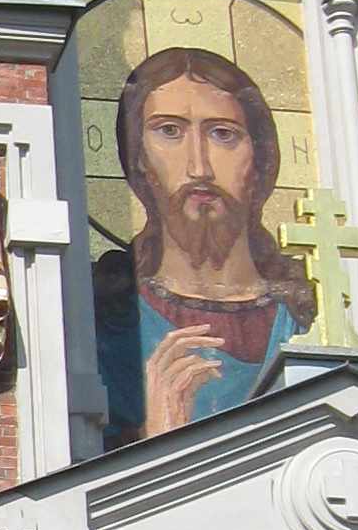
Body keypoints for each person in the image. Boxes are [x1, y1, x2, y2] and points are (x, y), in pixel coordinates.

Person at [93, 45, 316, 446]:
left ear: (259, 158)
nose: (199, 167)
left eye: (223, 134)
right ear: (139, 157)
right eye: (169, 131)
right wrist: (153, 433)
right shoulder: (105, 320)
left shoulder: (306, 319)